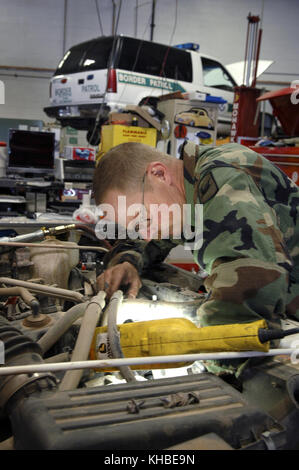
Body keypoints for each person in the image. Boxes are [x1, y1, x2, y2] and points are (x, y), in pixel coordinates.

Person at [93, 140, 299, 373]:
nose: (146, 233)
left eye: (144, 219)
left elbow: (249, 280)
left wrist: (218, 367)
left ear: (159, 173)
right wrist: (127, 261)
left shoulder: (222, 178)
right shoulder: (184, 193)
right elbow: (150, 240)